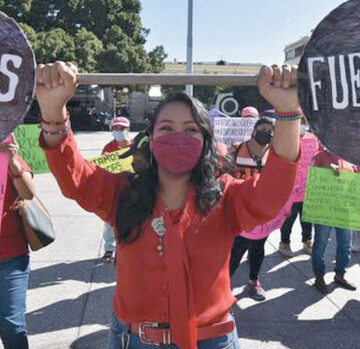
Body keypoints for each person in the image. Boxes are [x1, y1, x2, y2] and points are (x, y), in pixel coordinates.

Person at [36, 61, 300, 349]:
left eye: (190, 130)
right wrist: (52, 111)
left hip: (212, 341)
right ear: (150, 139)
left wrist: (288, 112)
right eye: (166, 128)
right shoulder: (122, 191)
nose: (178, 137)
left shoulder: (226, 196)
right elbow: (74, 176)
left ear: (206, 141)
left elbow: (273, 191)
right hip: (133, 341)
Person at [229, 117, 275, 301]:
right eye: (262, 128)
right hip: (240, 209)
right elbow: (223, 172)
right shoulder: (238, 148)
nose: (267, 132)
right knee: (237, 249)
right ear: (254, 131)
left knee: (258, 247)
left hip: (262, 210)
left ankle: (253, 281)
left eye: (270, 130)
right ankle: (223, 286)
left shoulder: (273, 153)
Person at [0, 137, 36, 349]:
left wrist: (12, 162)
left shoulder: (11, 159)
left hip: (10, 258)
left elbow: (28, 193)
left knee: (11, 325)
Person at [311, 148, 357, 293]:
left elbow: (355, 184)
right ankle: (319, 278)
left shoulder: (350, 158)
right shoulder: (319, 157)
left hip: (345, 211)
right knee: (320, 245)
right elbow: (311, 180)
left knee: (345, 245)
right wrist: (328, 174)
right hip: (324, 211)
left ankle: (340, 275)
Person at [278, 118, 319, 257]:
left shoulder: (313, 139)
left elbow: (318, 156)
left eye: (305, 122)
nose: (303, 125)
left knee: (307, 218)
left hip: (308, 188)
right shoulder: (288, 138)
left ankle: (307, 241)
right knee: (289, 218)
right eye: (301, 122)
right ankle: (284, 243)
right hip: (291, 189)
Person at [102, 117, 132, 262]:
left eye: (122, 129)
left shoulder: (135, 147)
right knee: (109, 222)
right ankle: (109, 248)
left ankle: (129, 248)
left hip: (133, 190)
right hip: (113, 190)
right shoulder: (108, 148)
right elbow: (101, 168)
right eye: (116, 129)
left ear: (128, 130)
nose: (119, 131)